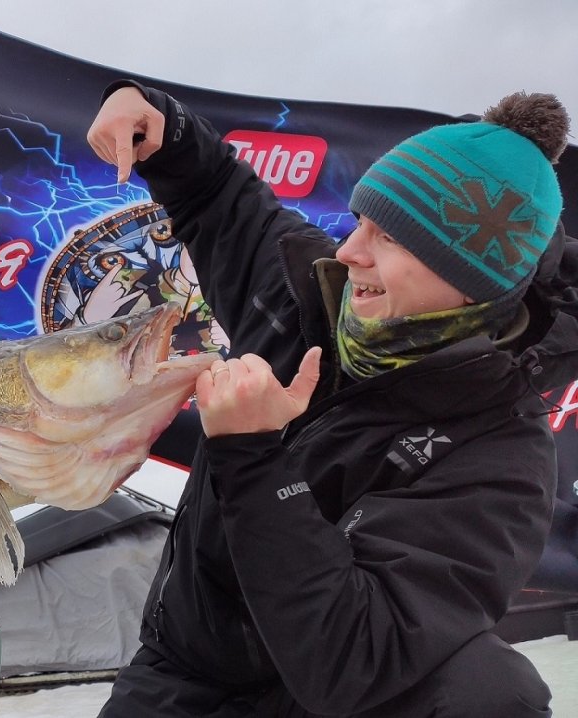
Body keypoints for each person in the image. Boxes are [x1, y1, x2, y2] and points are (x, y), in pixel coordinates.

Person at [87, 83, 573, 717]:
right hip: (185, 671)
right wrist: (158, 125)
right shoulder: (308, 289)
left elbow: (352, 658)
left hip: (326, 696)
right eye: (361, 221)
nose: (350, 252)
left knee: (493, 694)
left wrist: (253, 459)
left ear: (470, 281)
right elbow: (218, 194)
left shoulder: (501, 452)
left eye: (391, 238)